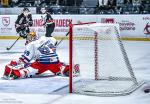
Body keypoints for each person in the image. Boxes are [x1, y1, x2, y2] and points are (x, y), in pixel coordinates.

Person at [3, 32, 79, 80]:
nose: (28, 39)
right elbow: (55, 43)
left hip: (42, 64)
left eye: (29, 38)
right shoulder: (46, 39)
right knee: (58, 67)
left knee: (29, 70)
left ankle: (14, 73)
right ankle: (68, 69)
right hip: (55, 61)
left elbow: (24, 60)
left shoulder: (31, 44)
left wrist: (15, 62)